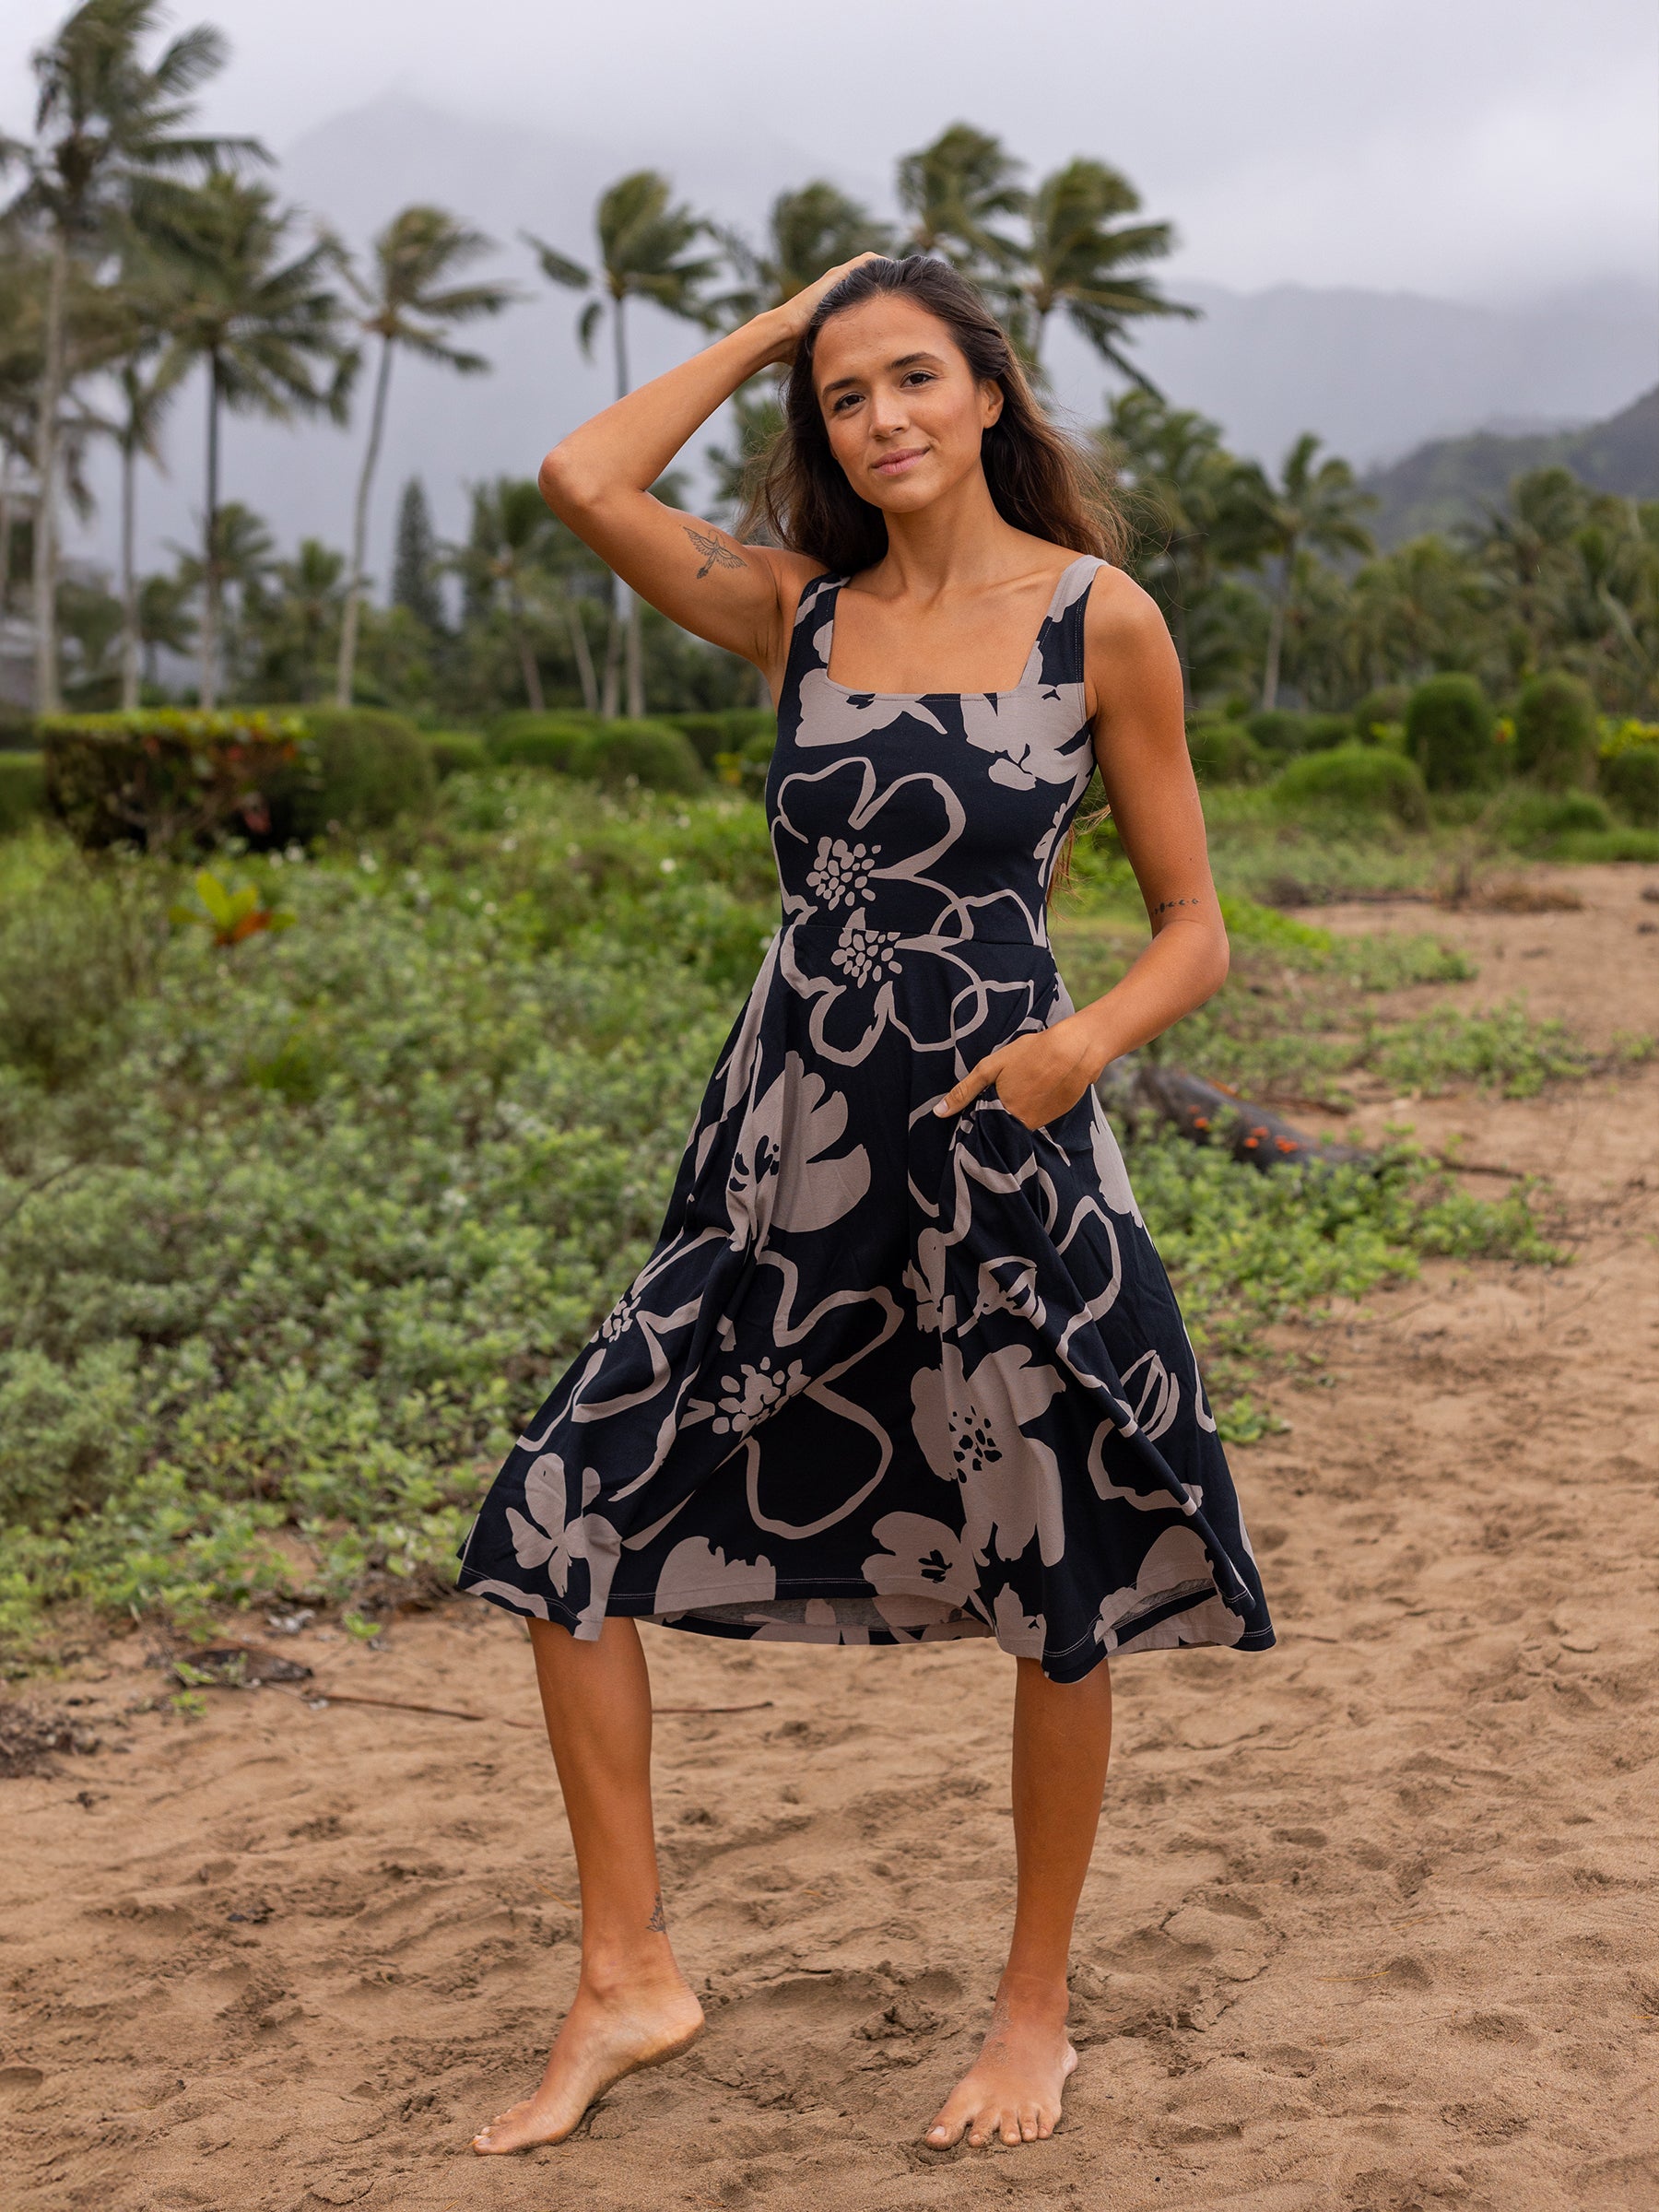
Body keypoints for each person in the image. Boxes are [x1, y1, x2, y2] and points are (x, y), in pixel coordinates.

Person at [459, 253, 1274, 2157]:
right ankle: (630, 1973)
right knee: (566, 1517)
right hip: (789, 1150)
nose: (885, 417)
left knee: (1048, 1575)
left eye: (916, 377)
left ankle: (1032, 2013)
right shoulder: (799, 619)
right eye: (846, 397)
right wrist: (777, 323)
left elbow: (1194, 930)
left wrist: (1087, 1052)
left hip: (1005, 1140)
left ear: (988, 394)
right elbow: (584, 481)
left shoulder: (1100, 621)